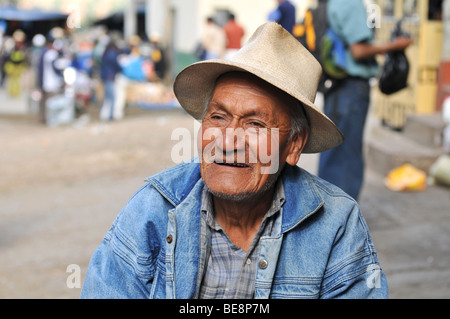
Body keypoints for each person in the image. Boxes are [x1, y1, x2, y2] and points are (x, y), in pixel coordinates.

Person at [81, 22, 388, 299]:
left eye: (255, 124)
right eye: (218, 117)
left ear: (294, 144)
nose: (227, 141)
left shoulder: (336, 222)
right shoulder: (155, 208)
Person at [318, 0, 413, 201]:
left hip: (339, 88)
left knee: (335, 152)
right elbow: (359, 50)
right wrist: (395, 45)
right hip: (350, 88)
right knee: (347, 156)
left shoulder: (334, 3)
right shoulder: (350, 3)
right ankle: (341, 218)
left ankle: (329, 212)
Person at [99, 33, 122, 122]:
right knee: (112, 97)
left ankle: (106, 115)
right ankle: (110, 116)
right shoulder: (112, 53)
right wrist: (121, 69)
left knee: (107, 97)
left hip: (105, 76)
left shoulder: (106, 52)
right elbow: (115, 64)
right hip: (109, 77)